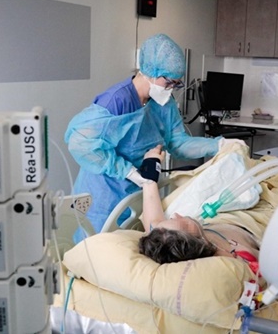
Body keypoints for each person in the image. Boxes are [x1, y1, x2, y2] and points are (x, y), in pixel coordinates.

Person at [65, 33, 244, 239]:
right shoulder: (117, 101)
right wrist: (128, 171)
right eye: (169, 83)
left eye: (176, 84)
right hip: (103, 195)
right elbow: (80, 143)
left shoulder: (163, 103)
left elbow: (178, 143)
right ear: (149, 71)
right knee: (96, 250)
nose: (171, 90)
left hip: (137, 192)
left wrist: (219, 145)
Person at [138, 145, 259, 273]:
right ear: (196, 241)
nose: (177, 215)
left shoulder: (166, 240)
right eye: (184, 223)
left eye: (171, 219)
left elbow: (153, 222)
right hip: (246, 222)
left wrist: (151, 166)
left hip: (219, 218)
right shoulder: (231, 256)